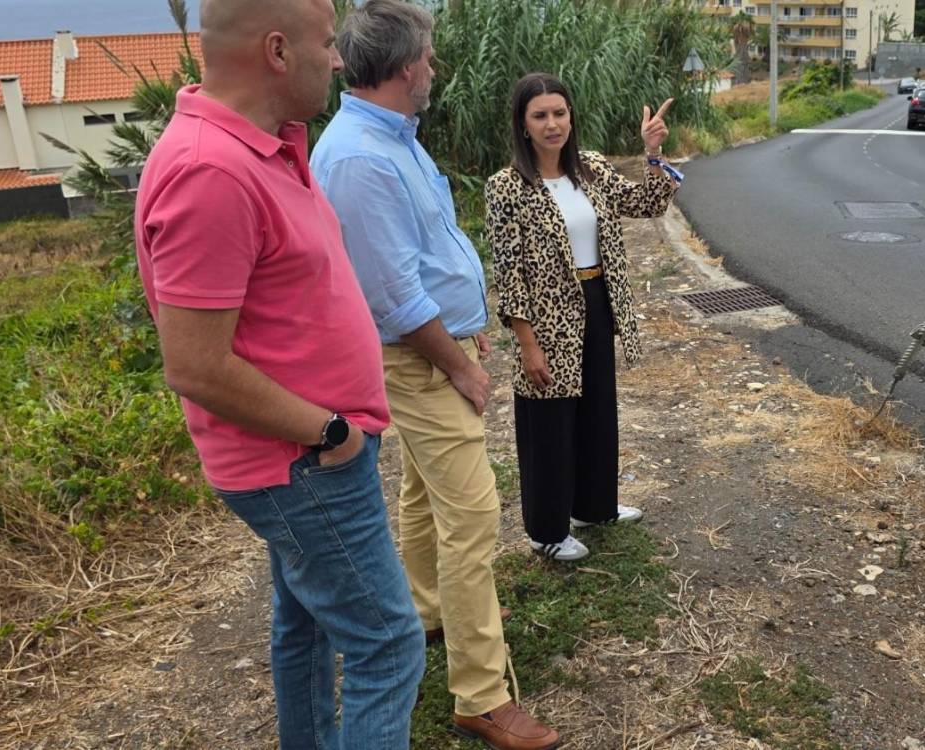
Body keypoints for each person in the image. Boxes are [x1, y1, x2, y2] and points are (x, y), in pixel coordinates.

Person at [132, 0, 425, 747]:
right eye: (326, 44)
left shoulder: (263, 145)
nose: (336, 59)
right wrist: (331, 432)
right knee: (387, 645)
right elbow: (194, 364)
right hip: (302, 460)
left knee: (305, 628)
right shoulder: (210, 172)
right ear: (276, 50)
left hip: (304, 458)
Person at [309, 3, 558, 749]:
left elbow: (421, 257)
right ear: (406, 66)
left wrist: (462, 325)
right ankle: (480, 695)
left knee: (424, 495)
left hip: (434, 347)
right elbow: (391, 294)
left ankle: (429, 612)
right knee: (474, 512)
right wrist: (460, 365)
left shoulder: (390, 139)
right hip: (417, 360)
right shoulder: (359, 156)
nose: (434, 71)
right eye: (429, 59)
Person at [484, 73, 680, 562]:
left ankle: (593, 508)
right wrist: (526, 343)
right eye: (540, 115)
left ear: (571, 116)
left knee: (597, 411)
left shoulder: (590, 168)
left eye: (560, 112)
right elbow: (510, 273)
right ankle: (546, 531)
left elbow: (646, 203)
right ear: (523, 125)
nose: (553, 124)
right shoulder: (506, 187)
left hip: (597, 302)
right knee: (549, 424)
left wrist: (651, 154)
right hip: (545, 318)